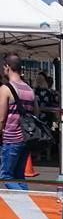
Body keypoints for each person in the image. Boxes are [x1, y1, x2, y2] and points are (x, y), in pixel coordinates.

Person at [0, 53, 37, 185]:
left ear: (8, 67)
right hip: (26, 138)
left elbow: (1, 118)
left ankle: (25, 205)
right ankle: (25, 203)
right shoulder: (29, 90)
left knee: (6, 176)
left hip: (10, 139)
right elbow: (35, 113)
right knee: (19, 175)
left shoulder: (5, 89)